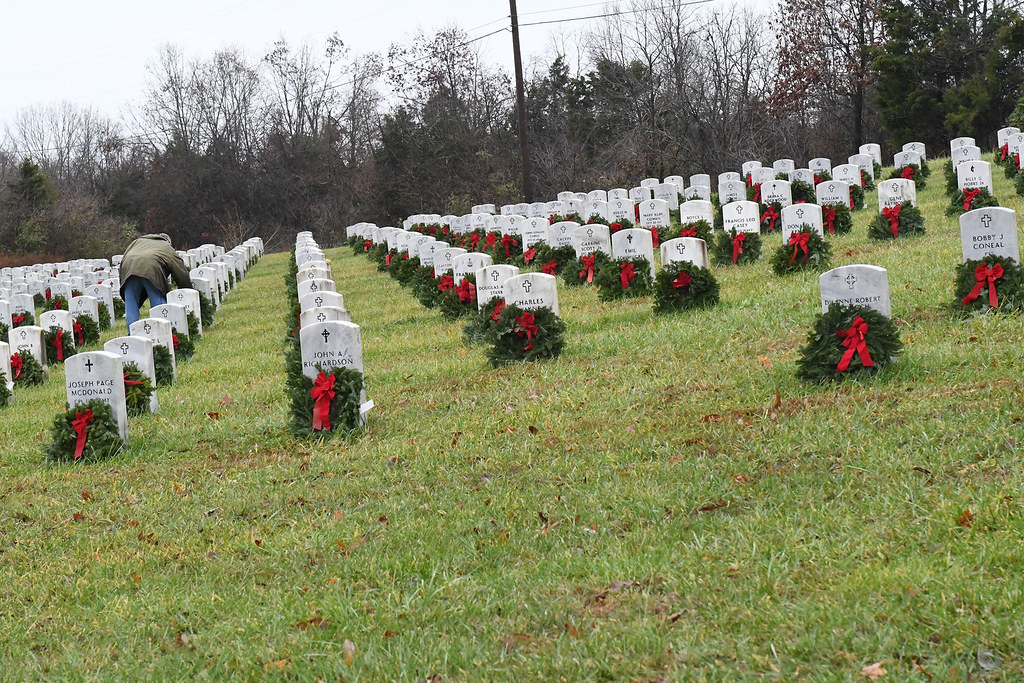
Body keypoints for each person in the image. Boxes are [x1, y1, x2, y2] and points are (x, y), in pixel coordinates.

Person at [118, 233, 192, 331]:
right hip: (150, 271)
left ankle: (132, 334)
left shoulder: (137, 242)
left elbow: (124, 260)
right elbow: (180, 270)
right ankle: (162, 331)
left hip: (128, 270)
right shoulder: (166, 247)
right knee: (158, 303)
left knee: (131, 305)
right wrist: (187, 291)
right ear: (168, 242)